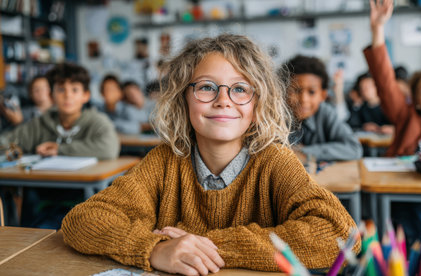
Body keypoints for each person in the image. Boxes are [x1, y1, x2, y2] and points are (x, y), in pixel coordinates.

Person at [61, 34, 359, 274]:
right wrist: (155, 248)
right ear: (183, 99)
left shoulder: (275, 161)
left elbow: (340, 233)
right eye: (206, 87)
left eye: (240, 89)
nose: (223, 101)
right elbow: (84, 220)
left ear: (258, 106)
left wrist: (203, 246)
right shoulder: (164, 161)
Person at [365, 0, 421, 243]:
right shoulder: (406, 117)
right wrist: (378, 29)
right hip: (412, 197)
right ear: (416, 100)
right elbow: (385, 81)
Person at [1, 62, 120, 228]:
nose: (67, 96)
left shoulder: (96, 121)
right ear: (52, 95)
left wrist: (60, 149)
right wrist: (12, 151)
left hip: (80, 203)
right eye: (61, 89)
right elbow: (8, 141)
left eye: (75, 90)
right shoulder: (41, 123)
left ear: (86, 95)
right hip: (41, 202)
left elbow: (109, 148)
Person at [280, 54, 362, 162]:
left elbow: (354, 149)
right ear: (284, 91)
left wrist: (304, 152)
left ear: (323, 95)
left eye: (312, 92)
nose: (304, 99)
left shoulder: (325, 113)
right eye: (296, 90)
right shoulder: (275, 116)